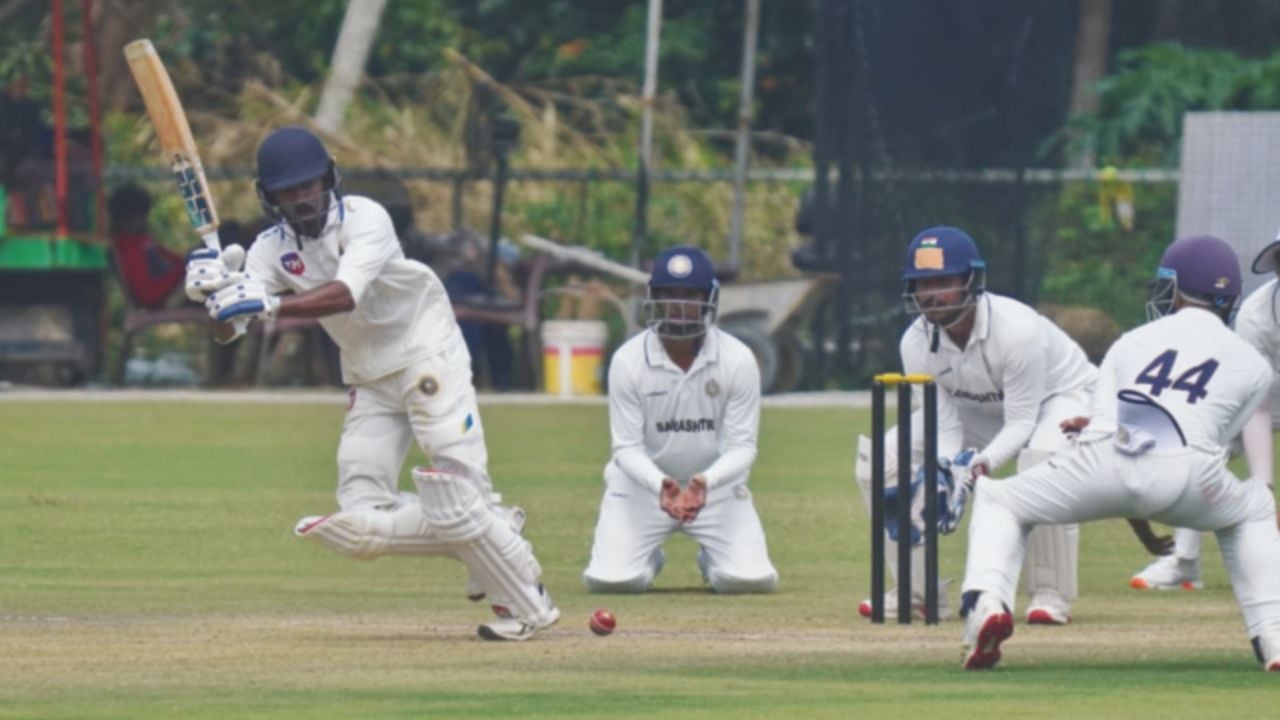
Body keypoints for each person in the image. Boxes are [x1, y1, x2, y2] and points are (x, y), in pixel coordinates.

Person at [184, 126, 558, 641]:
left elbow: (344, 293)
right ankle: (488, 533)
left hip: (425, 347)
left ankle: (524, 602)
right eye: (289, 191)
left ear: (329, 179)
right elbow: (231, 331)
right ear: (270, 198)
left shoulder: (366, 218)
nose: (302, 198)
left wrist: (265, 302)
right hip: (367, 370)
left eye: (309, 185)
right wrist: (216, 298)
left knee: (454, 481)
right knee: (361, 513)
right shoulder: (269, 249)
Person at [959, 235, 1280, 672]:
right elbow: (1213, 440)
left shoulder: (1131, 341)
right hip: (1190, 479)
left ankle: (986, 605)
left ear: (1176, 290)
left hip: (1105, 465)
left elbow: (1110, 428)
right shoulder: (1254, 364)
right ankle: (1273, 636)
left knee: (998, 499)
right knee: (1254, 508)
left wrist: (1099, 434)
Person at [854, 226, 1096, 624]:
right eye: (923, 284)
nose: (932, 295)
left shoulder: (1016, 330)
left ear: (972, 281)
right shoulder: (914, 342)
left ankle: (1050, 594)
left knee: (1042, 456)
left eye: (943, 282)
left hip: (1057, 400)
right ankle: (918, 592)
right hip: (981, 410)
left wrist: (972, 469)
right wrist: (948, 471)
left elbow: (1021, 422)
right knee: (882, 457)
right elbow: (944, 424)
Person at [582, 245, 779, 594]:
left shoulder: (737, 358)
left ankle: (712, 556)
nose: (678, 304)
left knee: (750, 581)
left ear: (709, 299)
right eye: (669, 294)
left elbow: (743, 447)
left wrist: (706, 482)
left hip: (715, 490)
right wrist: (661, 485)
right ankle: (647, 554)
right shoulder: (628, 360)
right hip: (643, 489)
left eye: (690, 295)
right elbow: (626, 449)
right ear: (654, 298)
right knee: (612, 582)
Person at [1127, 234, 1280, 591]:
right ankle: (1185, 561)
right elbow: (1256, 406)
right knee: (1201, 445)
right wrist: (1265, 490)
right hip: (1268, 396)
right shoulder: (1256, 316)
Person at [109, 183, 187, 309]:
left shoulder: (143, 240)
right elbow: (148, 295)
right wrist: (182, 271)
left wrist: (188, 264)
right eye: (140, 217)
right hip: (163, 302)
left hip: (176, 288)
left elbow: (175, 260)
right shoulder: (126, 248)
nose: (145, 221)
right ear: (124, 220)